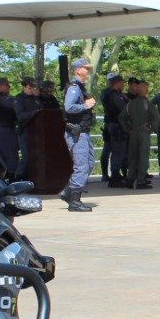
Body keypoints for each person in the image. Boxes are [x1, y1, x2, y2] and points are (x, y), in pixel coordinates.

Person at [61, 59, 96, 212]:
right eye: (85, 68)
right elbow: (68, 107)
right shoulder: (74, 88)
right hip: (77, 133)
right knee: (82, 165)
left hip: (83, 132)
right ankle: (74, 201)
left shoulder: (80, 88)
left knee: (89, 162)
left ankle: (69, 191)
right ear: (77, 70)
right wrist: (85, 106)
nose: (87, 71)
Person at [120, 77, 156, 189]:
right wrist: (151, 128)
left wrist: (128, 129)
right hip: (144, 132)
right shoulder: (147, 103)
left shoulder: (130, 104)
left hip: (133, 132)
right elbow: (156, 116)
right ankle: (141, 181)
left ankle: (130, 179)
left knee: (133, 157)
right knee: (143, 156)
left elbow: (121, 117)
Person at [0, 77, 22, 178]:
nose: (9, 87)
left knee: (3, 154)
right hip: (4, 130)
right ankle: (11, 177)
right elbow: (14, 105)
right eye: (7, 85)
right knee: (11, 154)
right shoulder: (0, 98)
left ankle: (4, 176)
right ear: (1, 86)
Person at [100, 74, 129, 187]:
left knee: (115, 150)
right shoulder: (114, 95)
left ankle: (116, 174)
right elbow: (122, 109)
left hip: (112, 125)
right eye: (122, 83)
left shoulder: (108, 94)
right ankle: (115, 175)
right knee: (118, 151)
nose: (123, 85)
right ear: (117, 83)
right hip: (117, 126)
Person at [14, 77, 40, 180]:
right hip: (24, 130)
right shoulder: (19, 99)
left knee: (36, 156)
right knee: (26, 156)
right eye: (30, 87)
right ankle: (18, 177)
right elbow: (20, 116)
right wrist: (34, 113)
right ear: (24, 87)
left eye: (33, 87)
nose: (31, 89)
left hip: (36, 131)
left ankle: (32, 177)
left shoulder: (35, 100)